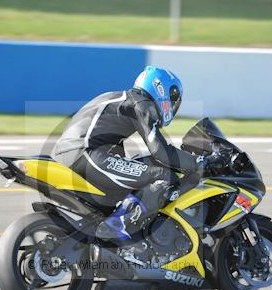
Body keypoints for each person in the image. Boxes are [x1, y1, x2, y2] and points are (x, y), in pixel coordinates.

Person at [54, 66, 229, 241]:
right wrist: (198, 162)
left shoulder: (123, 98)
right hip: (85, 153)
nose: (174, 103)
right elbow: (161, 151)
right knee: (164, 177)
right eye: (173, 96)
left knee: (148, 168)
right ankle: (116, 226)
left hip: (76, 152)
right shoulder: (141, 104)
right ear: (160, 89)